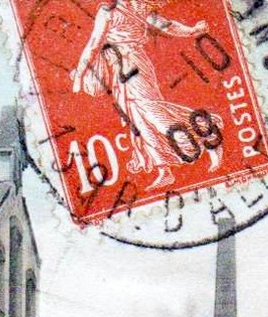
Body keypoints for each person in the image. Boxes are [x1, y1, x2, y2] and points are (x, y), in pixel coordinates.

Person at [69, 0, 221, 192]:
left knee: (154, 114)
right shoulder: (123, 9)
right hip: (121, 70)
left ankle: (210, 139)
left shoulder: (122, 10)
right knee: (138, 120)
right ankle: (164, 170)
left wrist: (78, 79)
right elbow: (167, 26)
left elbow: (93, 46)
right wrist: (192, 30)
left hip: (133, 66)